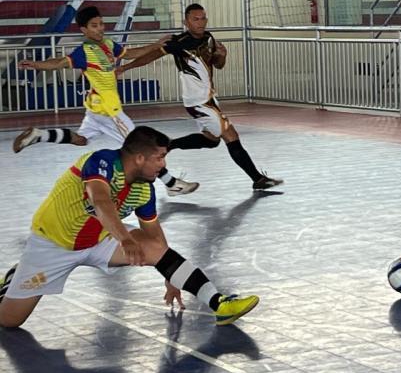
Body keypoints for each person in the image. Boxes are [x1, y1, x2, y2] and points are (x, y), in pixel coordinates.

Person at [0, 125, 259, 328]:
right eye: (159, 158)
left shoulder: (144, 190)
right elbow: (100, 201)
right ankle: (15, 276)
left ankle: (220, 304)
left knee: (153, 247)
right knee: (9, 321)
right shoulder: (101, 162)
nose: (163, 165)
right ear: (139, 158)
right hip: (52, 245)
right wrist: (124, 239)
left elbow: (156, 239)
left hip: (100, 240)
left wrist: (171, 276)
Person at [12, 6, 198, 197]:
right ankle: (172, 184)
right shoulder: (84, 52)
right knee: (141, 146)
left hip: (96, 109)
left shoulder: (109, 45)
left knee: (81, 140)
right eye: (94, 25)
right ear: (84, 30)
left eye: (101, 24)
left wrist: (156, 45)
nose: (100, 28)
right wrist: (36, 65)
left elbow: (131, 53)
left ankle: (39, 135)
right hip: (110, 110)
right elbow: (59, 62)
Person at [117, 3, 282, 191]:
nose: (201, 22)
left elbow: (218, 65)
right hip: (198, 101)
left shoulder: (209, 38)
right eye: (196, 19)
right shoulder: (178, 42)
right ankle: (257, 179)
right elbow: (150, 57)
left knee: (211, 141)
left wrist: (223, 55)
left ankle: (170, 144)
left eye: (203, 18)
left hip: (210, 98)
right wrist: (125, 67)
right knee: (231, 135)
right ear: (186, 21)